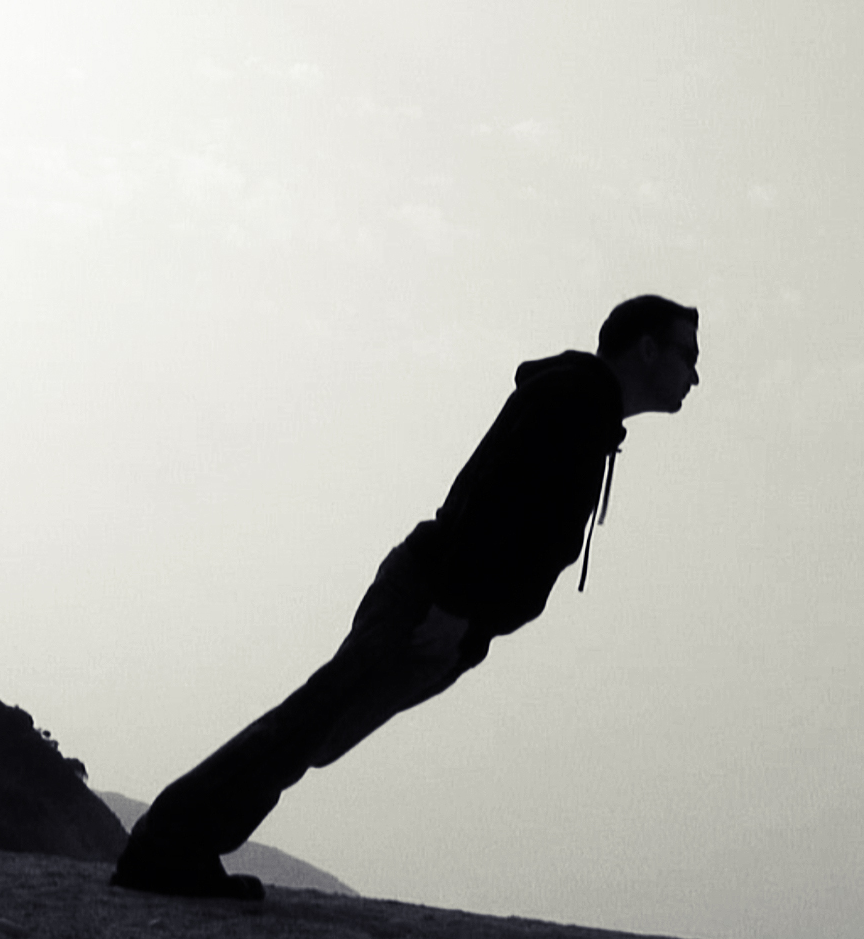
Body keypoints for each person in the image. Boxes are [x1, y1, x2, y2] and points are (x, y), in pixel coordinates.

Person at [110, 294, 701, 899]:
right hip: (434, 599)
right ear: (647, 349)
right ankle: (167, 843)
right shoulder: (572, 401)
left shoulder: (589, 412)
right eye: (687, 355)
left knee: (320, 731)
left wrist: (472, 626)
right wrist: (460, 611)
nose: (694, 375)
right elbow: (493, 498)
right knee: (314, 720)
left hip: (447, 609)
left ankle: (179, 844)